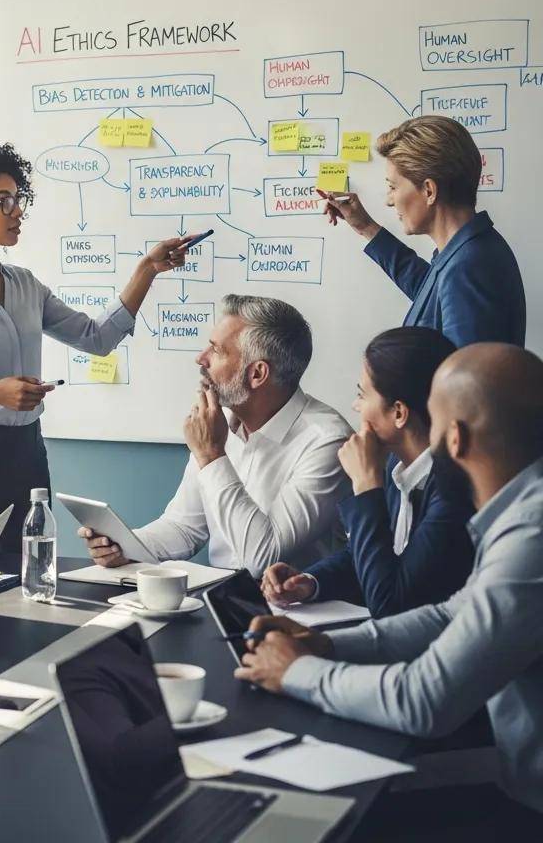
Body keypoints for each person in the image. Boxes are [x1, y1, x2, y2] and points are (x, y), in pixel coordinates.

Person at [236, 343, 543, 831]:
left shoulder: (531, 535)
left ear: (456, 438)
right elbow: (449, 614)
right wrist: (326, 643)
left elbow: (424, 700)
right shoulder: (521, 511)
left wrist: (299, 671)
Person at [0, 141, 193, 553]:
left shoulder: (25, 285)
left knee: (33, 581)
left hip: (27, 455)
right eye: (3, 201)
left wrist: (147, 271)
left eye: (18, 200)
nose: (17, 211)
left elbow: (96, 337)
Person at [79, 295, 351, 576]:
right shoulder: (220, 425)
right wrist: (125, 546)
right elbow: (183, 527)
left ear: (257, 373)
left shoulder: (327, 441)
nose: (201, 358)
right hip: (221, 600)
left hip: (295, 611)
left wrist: (212, 456)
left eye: (217, 351)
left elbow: (264, 559)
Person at [261, 326, 474, 617]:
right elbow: (369, 556)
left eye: (362, 394)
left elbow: (389, 604)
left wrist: (365, 486)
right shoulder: (395, 466)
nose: (355, 405)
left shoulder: (452, 492)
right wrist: (310, 581)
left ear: (398, 412)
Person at [321, 115, 524, 348]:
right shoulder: (466, 251)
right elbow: (430, 292)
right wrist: (366, 227)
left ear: (429, 191)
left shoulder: (470, 267)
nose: (389, 200)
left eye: (393, 187)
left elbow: (465, 380)